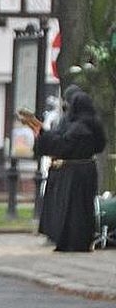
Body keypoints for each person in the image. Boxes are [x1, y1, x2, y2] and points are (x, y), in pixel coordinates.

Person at [22, 88, 107, 252]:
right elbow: (98, 145)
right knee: (82, 209)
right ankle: (80, 241)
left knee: (71, 210)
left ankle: (71, 242)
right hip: (87, 170)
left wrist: (42, 134)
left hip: (73, 173)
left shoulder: (79, 127)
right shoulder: (93, 123)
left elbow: (62, 145)